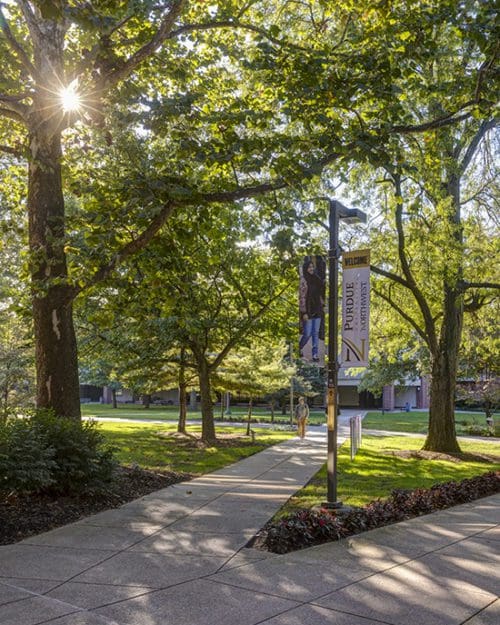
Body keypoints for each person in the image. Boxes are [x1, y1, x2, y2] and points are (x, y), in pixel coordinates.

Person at [299, 259, 325, 362]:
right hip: (308, 310)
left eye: (312, 267)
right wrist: (304, 312)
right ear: (306, 268)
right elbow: (302, 298)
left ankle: (315, 355)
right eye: (309, 267)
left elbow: (321, 292)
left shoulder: (316, 279)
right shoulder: (303, 281)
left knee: (315, 333)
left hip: (317, 309)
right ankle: (300, 348)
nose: (311, 269)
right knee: (307, 333)